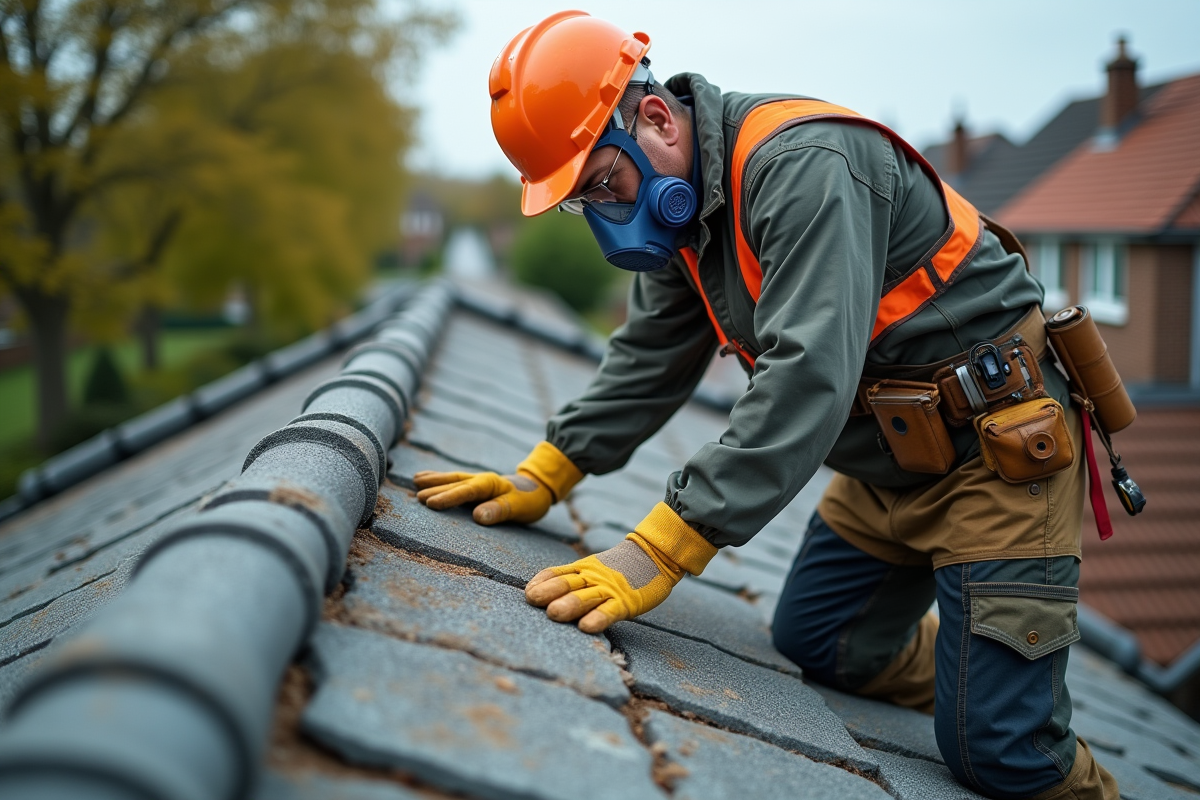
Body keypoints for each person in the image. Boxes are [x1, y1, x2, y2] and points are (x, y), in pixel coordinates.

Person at [413, 11, 1117, 800]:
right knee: (823, 643)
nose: (610, 215)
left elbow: (806, 374)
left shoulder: (804, 164)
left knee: (1000, 753)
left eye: (605, 183)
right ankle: (976, 665)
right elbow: (650, 354)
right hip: (890, 458)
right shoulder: (690, 209)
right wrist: (548, 469)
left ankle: (1002, 703)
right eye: (586, 202)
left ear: (652, 118)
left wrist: (662, 548)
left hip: (996, 455)